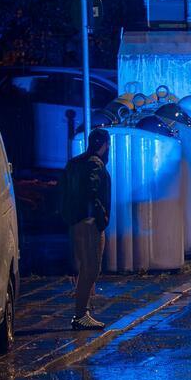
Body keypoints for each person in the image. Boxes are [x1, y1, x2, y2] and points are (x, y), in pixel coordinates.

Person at [60, 128, 111, 330]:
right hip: (90, 222)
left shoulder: (74, 163)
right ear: (105, 145)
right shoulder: (95, 164)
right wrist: (101, 216)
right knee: (92, 269)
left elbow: (63, 190)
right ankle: (81, 315)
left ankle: (84, 312)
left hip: (75, 221)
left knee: (85, 267)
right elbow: (93, 192)